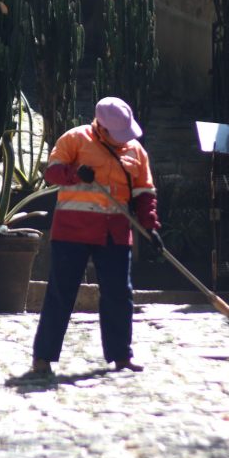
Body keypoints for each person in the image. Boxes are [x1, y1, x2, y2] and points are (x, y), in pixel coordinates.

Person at [31, 96, 163, 375]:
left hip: (114, 233)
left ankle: (121, 356)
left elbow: (144, 193)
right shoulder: (74, 139)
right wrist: (75, 173)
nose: (120, 140)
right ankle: (43, 357)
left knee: (119, 295)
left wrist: (150, 227)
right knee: (60, 293)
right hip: (72, 232)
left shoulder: (136, 151)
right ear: (100, 127)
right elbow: (52, 173)